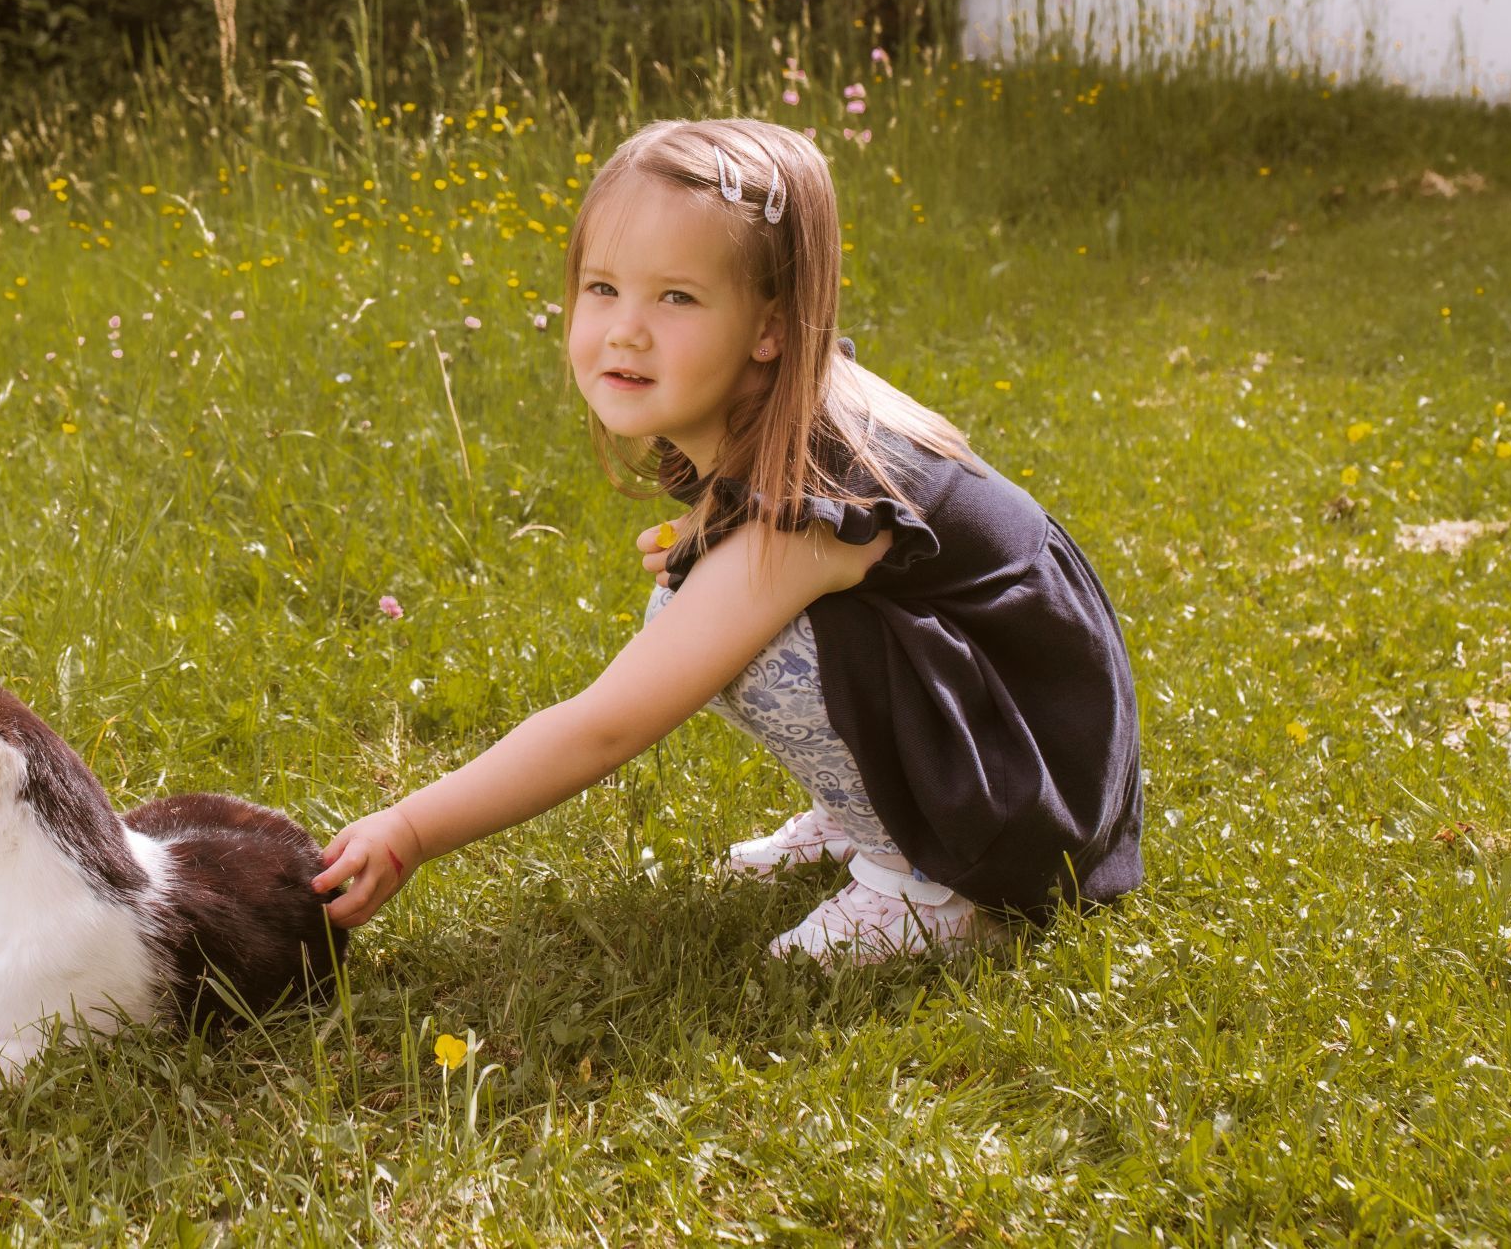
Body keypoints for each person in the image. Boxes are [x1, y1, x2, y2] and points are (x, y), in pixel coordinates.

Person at [312, 118, 1143, 963]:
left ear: (770, 329)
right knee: (696, 596)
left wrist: (412, 827)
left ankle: (937, 884)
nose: (626, 330)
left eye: (677, 297)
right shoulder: (786, 402)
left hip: (1029, 798)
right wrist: (707, 536)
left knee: (736, 630)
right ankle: (871, 809)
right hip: (1017, 722)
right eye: (602, 287)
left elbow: (606, 724)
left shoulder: (809, 508)